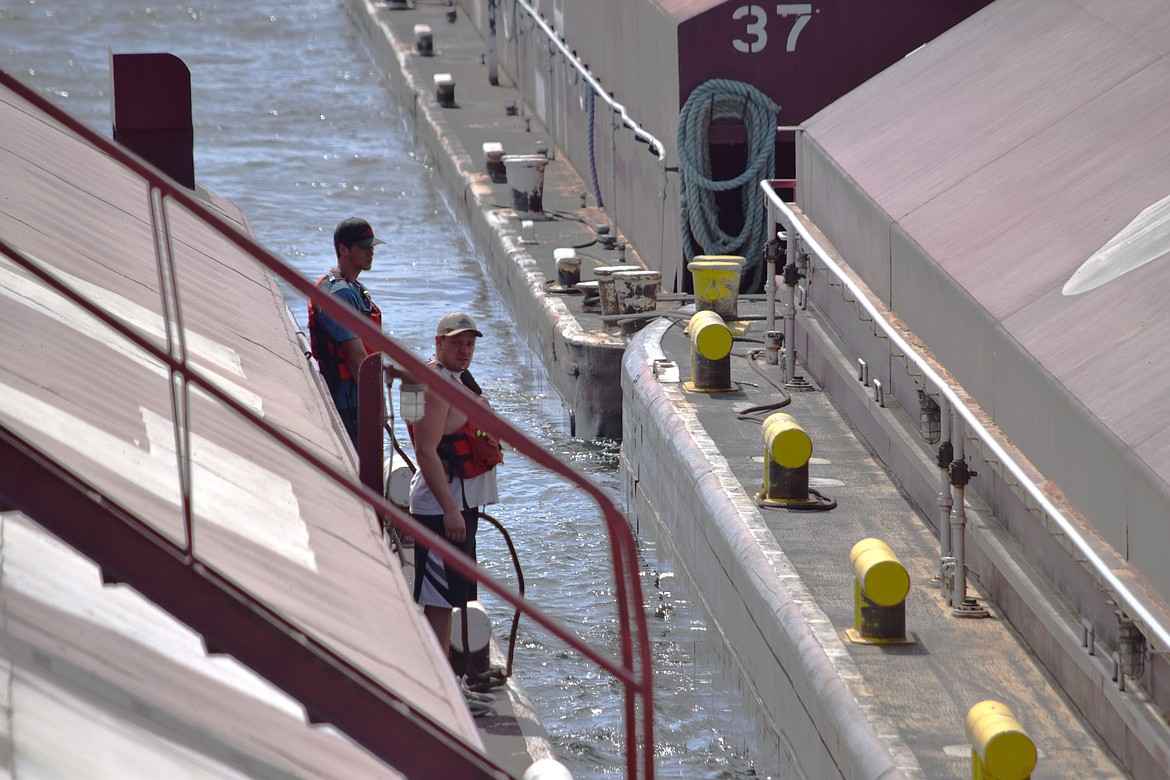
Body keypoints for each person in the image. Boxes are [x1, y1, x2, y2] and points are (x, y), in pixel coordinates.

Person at [408, 311, 502, 665]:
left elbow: (410, 424)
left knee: (451, 598)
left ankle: (452, 679)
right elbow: (423, 449)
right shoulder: (435, 385)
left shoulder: (440, 377)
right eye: (456, 343)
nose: (465, 351)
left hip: (457, 505)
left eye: (470, 343)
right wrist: (449, 508)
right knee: (439, 601)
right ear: (439, 343)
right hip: (441, 508)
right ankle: (442, 686)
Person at [308, 217, 385, 448]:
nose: (370, 253)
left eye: (372, 247)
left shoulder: (347, 286)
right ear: (343, 249)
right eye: (363, 248)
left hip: (353, 400)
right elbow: (356, 357)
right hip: (350, 404)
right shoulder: (340, 294)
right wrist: (376, 403)